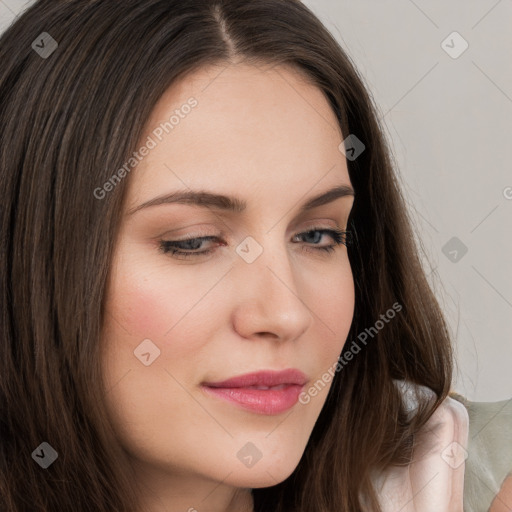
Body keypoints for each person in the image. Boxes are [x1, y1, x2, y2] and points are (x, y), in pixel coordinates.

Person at [0, 1, 510, 511]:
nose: (286, 314)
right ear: (27, 261)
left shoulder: (478, 478)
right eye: (194, 241)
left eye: (317, 236)